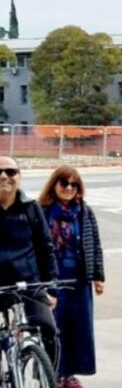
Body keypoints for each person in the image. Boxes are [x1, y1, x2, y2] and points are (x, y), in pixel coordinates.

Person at [38, 166, 105, 388]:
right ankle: (54, 374)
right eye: (64, 183)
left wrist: (98, 276)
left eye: (73, 184)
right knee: (53, 328)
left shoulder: (84, 212)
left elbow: (94, 244)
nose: (68, 188)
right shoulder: (42, 211)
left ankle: (70, 375)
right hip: (51, 281)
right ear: (54, 185)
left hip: (79, 279)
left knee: (78, 327)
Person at [0, 156, 60, 366]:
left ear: (19, 177)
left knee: (49, 330)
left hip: (27, 283)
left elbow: (46, 248)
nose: (4, 177)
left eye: (10, 172)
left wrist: (51, 288)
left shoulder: (31, 208)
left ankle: (47, 385)